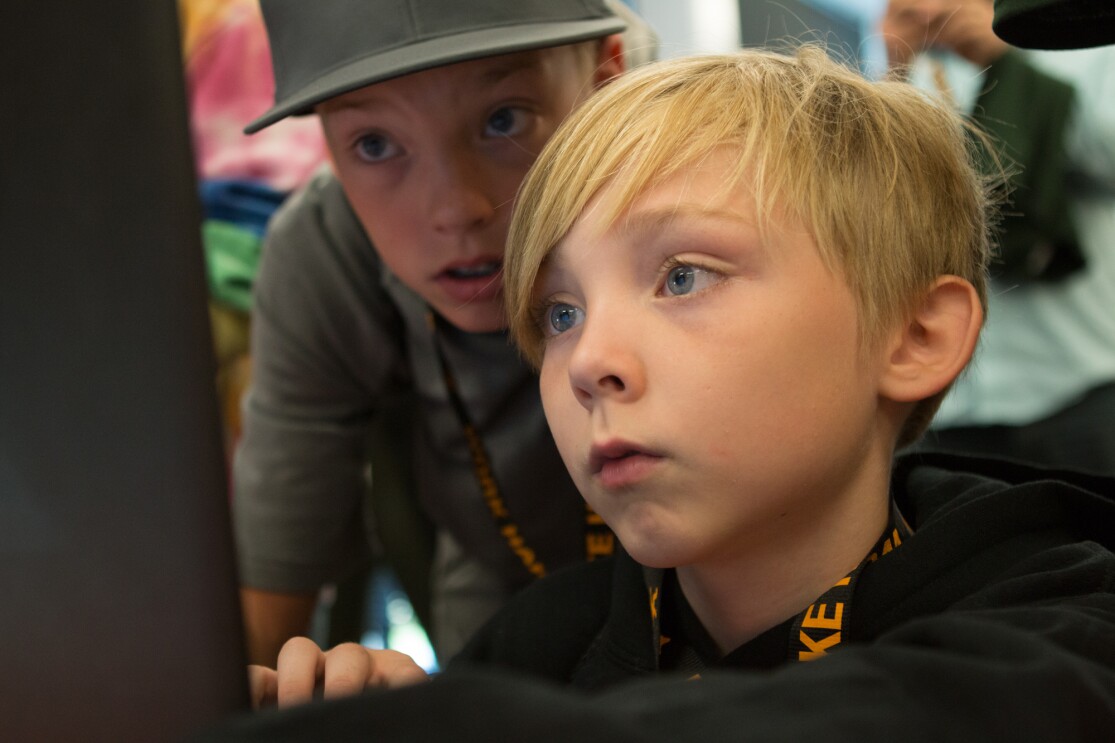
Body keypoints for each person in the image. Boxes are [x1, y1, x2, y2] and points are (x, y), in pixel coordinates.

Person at [196, 47, 1115, 741]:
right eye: (558, 313)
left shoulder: (1062, 617)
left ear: (913, 336)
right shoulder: (542, 642)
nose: (591, 357)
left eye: (682, 275)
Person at [233, 0, 658, 666]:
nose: (456, 208)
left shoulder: (713, 188)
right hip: (498, 566)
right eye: (374, 145)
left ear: (606, 74)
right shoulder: (324, 253)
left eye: (502, 120)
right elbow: (270, 596)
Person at [880, 0, 1115, 476]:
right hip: (952, 410)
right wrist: (893, 73)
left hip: (1074, 380)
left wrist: (1005, 59)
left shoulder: (1074, 40)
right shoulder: (905, 76)